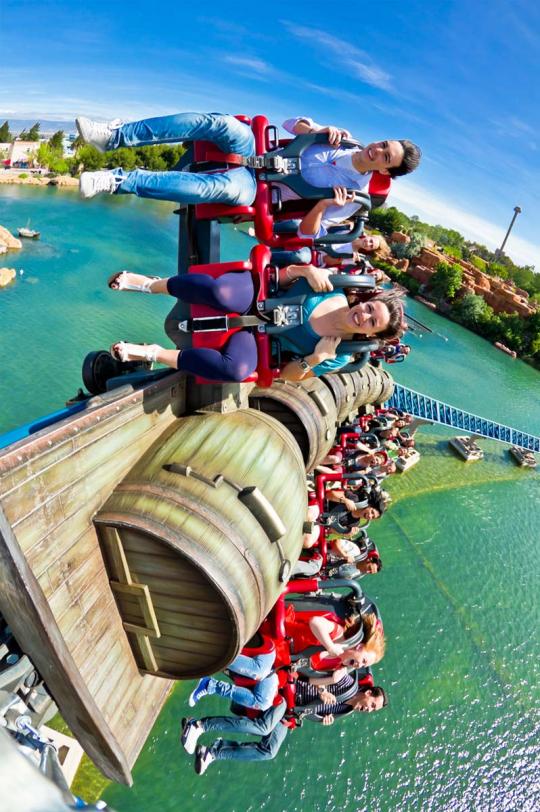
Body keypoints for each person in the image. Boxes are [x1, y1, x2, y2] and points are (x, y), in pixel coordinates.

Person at [75, 112, 421, 218]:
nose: (377, 150)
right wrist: (314, 128)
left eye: (385, 157)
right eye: (383, 144)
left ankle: (117, 181)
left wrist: (327, 205)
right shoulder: (343, 137)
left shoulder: (351, 197)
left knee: (218, 188)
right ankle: (115, 137)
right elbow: (289, 125)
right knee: (220, 123)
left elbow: (309, 232)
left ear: (386, 172)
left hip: (259, 187)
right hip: (257, 148)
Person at [105, 263, 405, 382]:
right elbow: (283, 274)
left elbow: (288, 376)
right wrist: (305, 270)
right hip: (258, 295)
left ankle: (152, 353)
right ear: (364, 300)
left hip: (259, 335)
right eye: (369, 308)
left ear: (371, 334)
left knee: (235, 370)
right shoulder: (332, 287)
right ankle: (148, 284)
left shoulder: (335, 355)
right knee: (219, 292)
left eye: (371, 321)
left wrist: (314, 358)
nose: (363, 315)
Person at [180, 681, 387, 774]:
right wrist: (321, 690)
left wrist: (321, 719)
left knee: (268, 751)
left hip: (292, 713)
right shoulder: (347, 684)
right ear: (368, 693)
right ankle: (198, 725)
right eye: (371, 706)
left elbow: (312, 713)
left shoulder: (345, 710)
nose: (368, 710)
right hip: (291, 695)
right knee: (263, 727)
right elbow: (312, 671)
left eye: (372, 711)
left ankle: (213, 752)